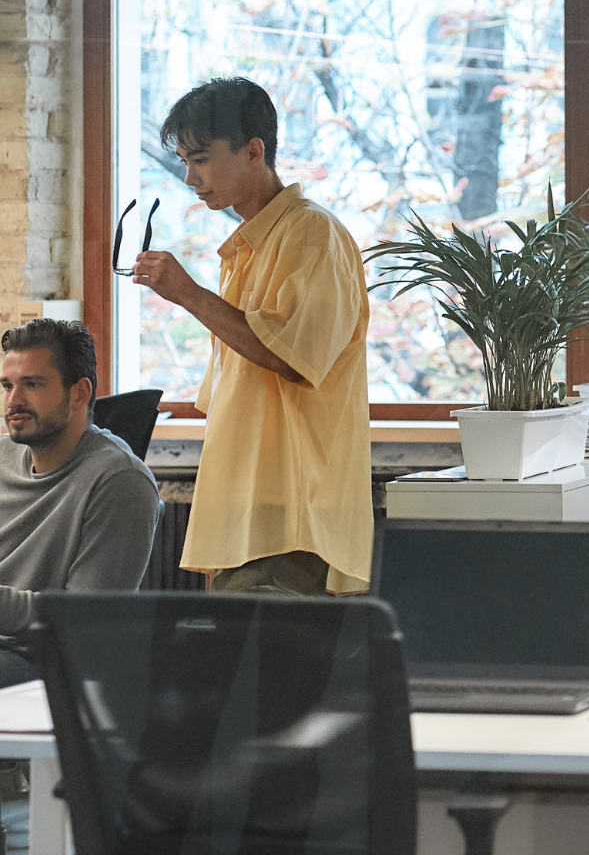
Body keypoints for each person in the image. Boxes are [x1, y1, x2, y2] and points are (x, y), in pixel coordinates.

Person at [132, 77, 372, 596]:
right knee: (231, 672)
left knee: (265, 672)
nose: (190, 177)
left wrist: (189, 295)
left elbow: (292, 357)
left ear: (253, 151)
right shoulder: (245, 246)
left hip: (290, 510)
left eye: (200, 158)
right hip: (247, 509)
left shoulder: (313, 234)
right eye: (183, 161)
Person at [0, 319, 159, 686]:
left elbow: (86, 620)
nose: (13, 401)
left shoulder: (120, 481)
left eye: (32, 384)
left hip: (45, 662)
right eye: (8, 385)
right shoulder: (4, 455)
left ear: (79, 393)